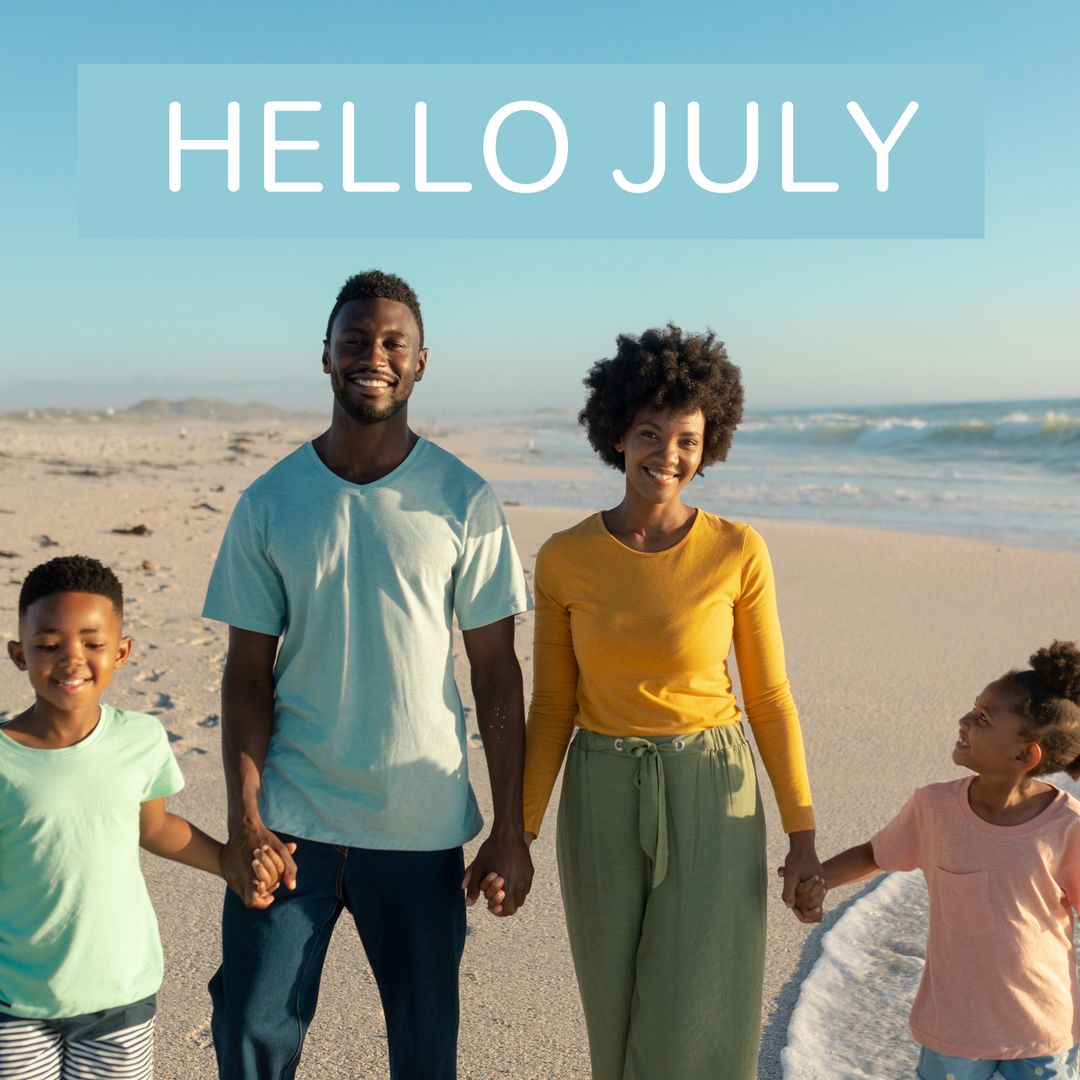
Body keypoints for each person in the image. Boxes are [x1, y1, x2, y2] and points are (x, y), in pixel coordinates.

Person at [202, 269, 534, 1080]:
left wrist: (511, 827)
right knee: (250, 1032)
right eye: (354, 341)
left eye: (393, 343)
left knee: (426, 1054)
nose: (372, 356)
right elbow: (247, 674)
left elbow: (495, 671)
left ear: (422, 362)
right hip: (290, 824)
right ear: (325, 357)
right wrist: (245, 818)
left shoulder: (463, 498)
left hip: (418, 827)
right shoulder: (271, 501)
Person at [519, 324, 820, 1079]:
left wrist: (802, 833)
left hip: (711, 787)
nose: (668, 455)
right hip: (599, 787)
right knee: (614, 1014)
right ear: (617, 434)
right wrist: (515, 833)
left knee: (698, 1016)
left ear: (709, 442)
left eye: (687, 438)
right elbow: (553, 705)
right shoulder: (564, 557)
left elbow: (771, 699)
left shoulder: (736, 550)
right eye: (650, 434)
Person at [0, 555, 280, 1079]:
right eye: (48, 645)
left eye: (92, 642)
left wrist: (227, 861)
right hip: (15, 999)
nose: (71, 659)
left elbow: (154, 827)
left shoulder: (141, 738)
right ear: (19, 654)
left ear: (122, 651)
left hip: (119, 991)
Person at [792, 641, 1080, 1080]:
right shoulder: (935, 808)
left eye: (982, 719)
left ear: (1025, 755)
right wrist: (820, 879)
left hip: (1042, 1028)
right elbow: (876, 854)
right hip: (955, 1027)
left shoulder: (1067, 827)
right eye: (972, 709)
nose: (964, 721)